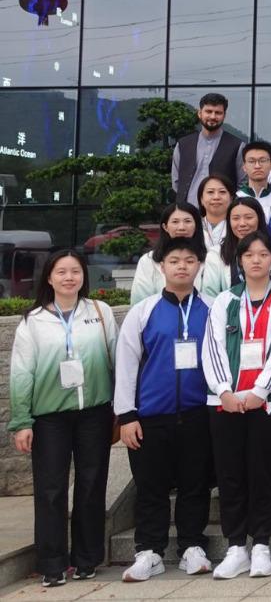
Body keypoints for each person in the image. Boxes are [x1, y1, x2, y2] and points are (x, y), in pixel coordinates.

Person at [202, 231, 271, 580]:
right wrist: (224, 390)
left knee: (263, 474)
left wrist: (261, 390)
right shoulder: (225, 300)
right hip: (226, 402)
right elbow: (212, 347)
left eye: (263, 254)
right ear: (240, 261)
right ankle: (236, 547)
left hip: (268, 403)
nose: (256, 260)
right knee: (230, 475)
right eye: (249, 255)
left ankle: (261, 544)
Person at [10, 250, 117, 587]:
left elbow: (117, 360)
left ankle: (87, 558)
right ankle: (52, 563)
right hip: (50, 417)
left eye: (75, 271)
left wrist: (123, 407)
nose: (69, 277)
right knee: (51, 489)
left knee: (91, 484)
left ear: (84, 276)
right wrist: (22, 421)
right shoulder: (33, 321)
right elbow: (21, 373)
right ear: (49, 277)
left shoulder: (99, 312)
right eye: (62, 272)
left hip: (94, 413)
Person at [117, 235, 215, 583]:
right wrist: (127, 415)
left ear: (200, 265)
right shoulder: (143, 312)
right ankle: (149, 551)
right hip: (150, 416)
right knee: (150, 486)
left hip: (199, 412)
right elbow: (126, 364)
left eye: (189, 261)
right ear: (161, 266)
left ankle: (192, 546)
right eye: (174, 261)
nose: (182, 267)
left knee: (195, 484)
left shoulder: (213, 309)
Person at [172, 92, 243, 207]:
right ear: (200, 113)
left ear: (224, 115)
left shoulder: (237, 146)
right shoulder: (183, 144)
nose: (213, 116)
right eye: (208, 111)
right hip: (187, 211)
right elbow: (176, 182)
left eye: (218, 113)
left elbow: (242, 184)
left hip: (221, 212)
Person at [131, 202, 203, 304]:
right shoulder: (148, 261)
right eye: (175, 222)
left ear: (196, 226)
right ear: (165, 227)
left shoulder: (210, 258)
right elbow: (140, 303)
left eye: (187, 221)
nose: (181, 227)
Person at [201, 197, 268, 299]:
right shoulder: (216, 254)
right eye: (236, 218)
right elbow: (209, 297)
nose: (242, 224)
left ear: (260, 219)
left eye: (248, 217)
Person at [237, 141, 271, 211]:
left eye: (262, 161)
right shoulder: (235, 199)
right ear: (244, 167)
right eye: (251, 161)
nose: (257, 166)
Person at [198, 174, 234, 254]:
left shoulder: (238, 226)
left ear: (231, 199)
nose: (216, 197)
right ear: (201, 199)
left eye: (222, 192)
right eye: (210, 192)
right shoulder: (194, 226)